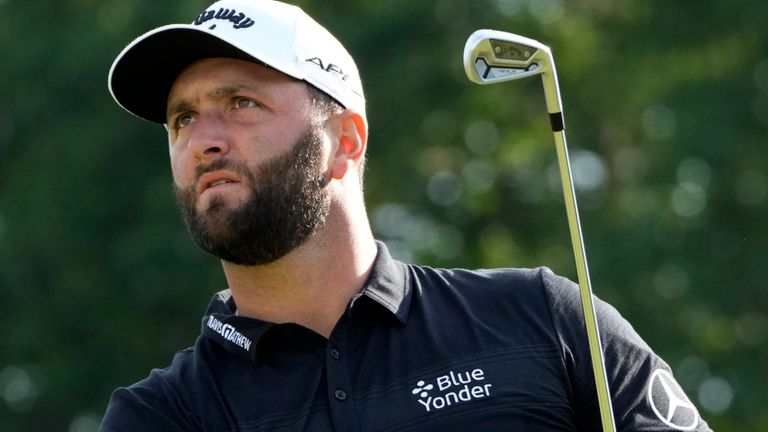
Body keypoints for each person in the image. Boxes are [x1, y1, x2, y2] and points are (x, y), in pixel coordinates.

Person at [101, 0, 711, 430]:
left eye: (241, 102)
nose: (203, 140)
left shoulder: (542, 320)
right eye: (183, 118)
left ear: (345, 140)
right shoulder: (159, 417)